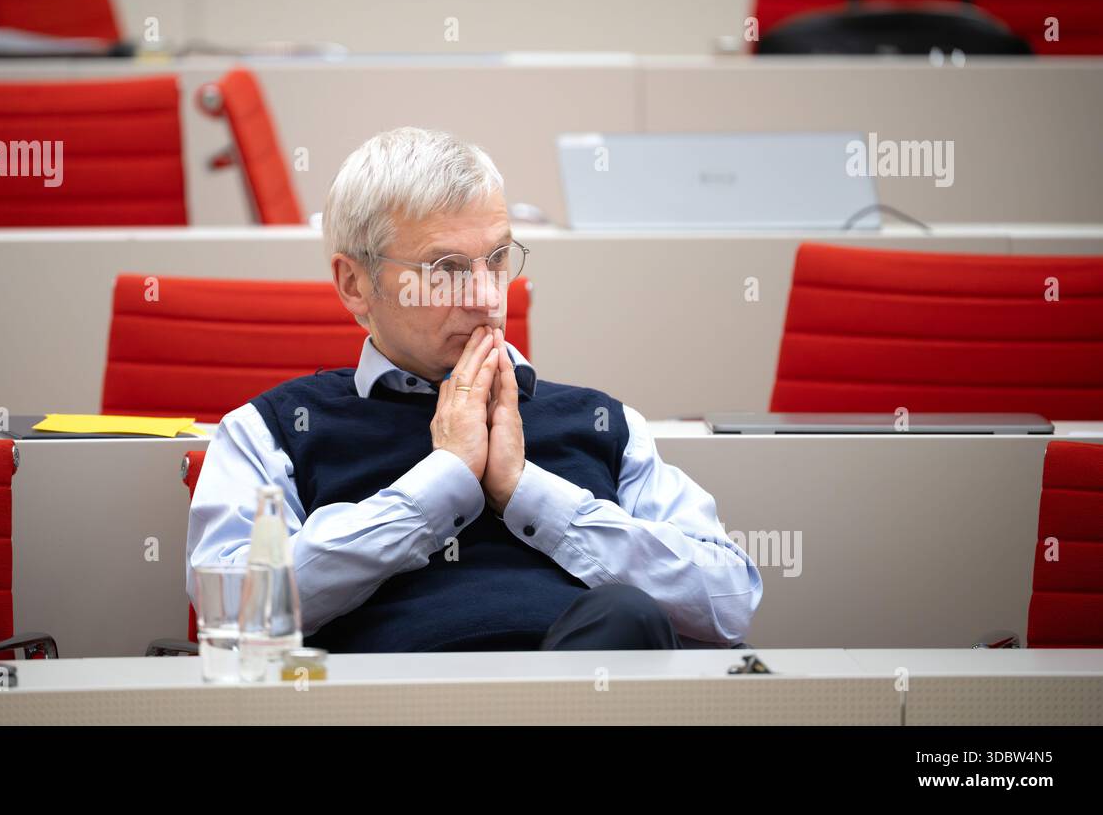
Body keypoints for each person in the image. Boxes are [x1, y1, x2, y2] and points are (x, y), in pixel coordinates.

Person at [187, 127, 762, 652]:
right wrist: (443, 484)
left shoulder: (602, 423)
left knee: (623, 616)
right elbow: (237, 616)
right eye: (446, 268)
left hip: (581, 699)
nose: (487, 296)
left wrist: (525, 492)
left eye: (498, 259)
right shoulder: (274, 430)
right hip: (389, 710)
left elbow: (731, 602)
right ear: (355, 284)